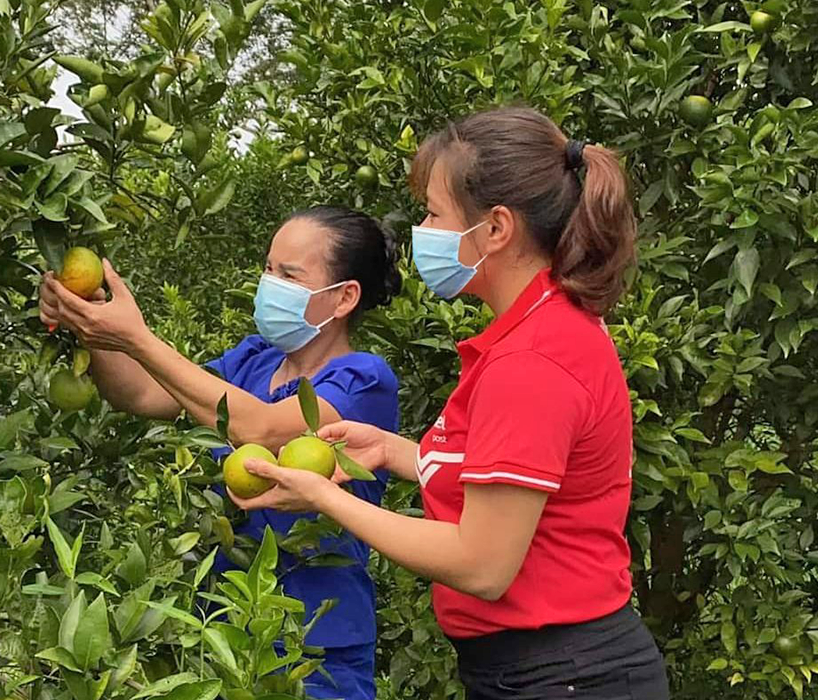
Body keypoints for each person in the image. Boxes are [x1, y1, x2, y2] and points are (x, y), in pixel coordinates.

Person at [229, 106, 670, 700]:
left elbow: (481, 564)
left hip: (563, 675)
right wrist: (390, 450)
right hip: (546, 668)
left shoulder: (531, 363)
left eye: (435, 212)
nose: (424, 228)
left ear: (495, 228)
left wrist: (324, 496)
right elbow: (518, 487)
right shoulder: (537, 331)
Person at [39, 206, 402, 700]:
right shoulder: (252, 360)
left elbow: (262, 430)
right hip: (225, 632)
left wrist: (138, 338)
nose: (269, 282)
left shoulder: (362, 381)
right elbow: (143, 394)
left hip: (315, 644)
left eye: (289, 275)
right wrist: (91, 319)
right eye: (268, 269)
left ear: (344, 297)